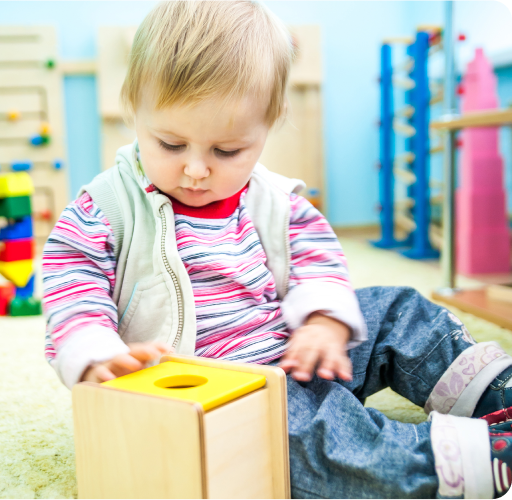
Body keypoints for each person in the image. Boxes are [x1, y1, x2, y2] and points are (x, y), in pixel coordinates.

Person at [42, 1, 512, 498]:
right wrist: (99, 356)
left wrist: (325, 321)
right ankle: (461, 465)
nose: (197, 169)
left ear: (268, 126)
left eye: (227, 151)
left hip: (304, 347)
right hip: (228, 389)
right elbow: (72, 288)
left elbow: (320, 262)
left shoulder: (276, 200)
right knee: (316, 443)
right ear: (132, 108)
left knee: (398, 308)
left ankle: (492, 389)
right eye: (171, 144)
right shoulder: (106, 209)